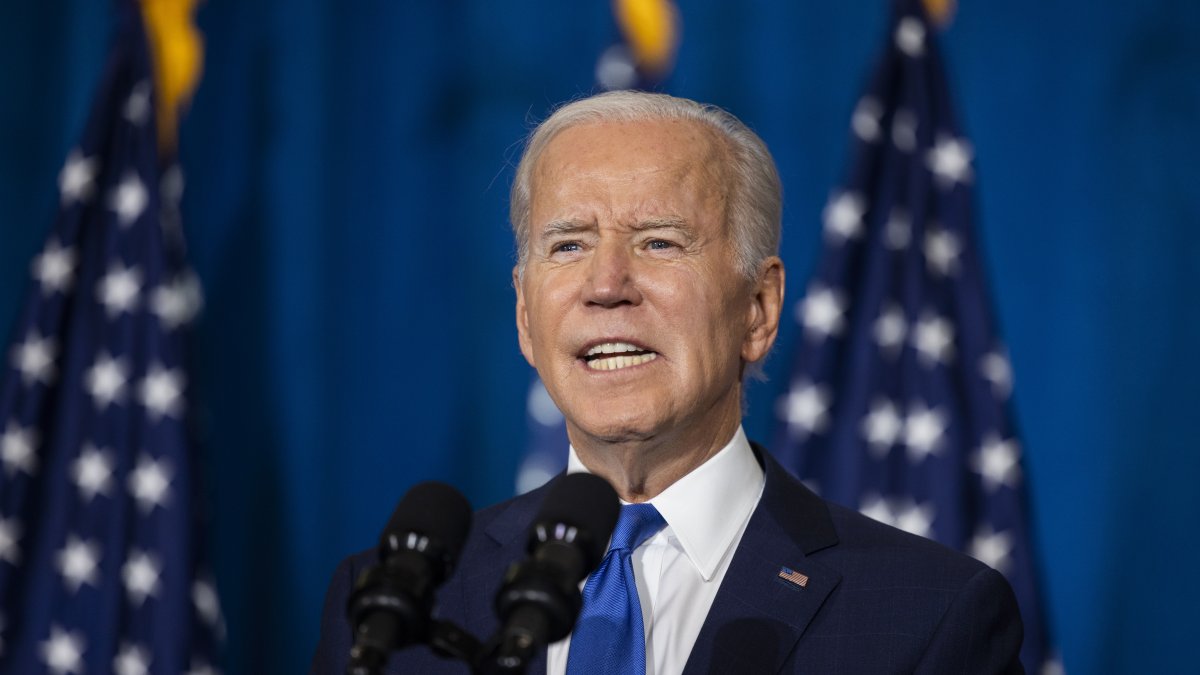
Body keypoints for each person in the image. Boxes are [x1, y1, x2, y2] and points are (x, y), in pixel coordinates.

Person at [311, 90, 1023, 674]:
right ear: (526, 315)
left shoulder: (929, 617)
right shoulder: (394, 609)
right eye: (569, 244)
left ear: (758, 308)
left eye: (658, 241)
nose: (607, 284)